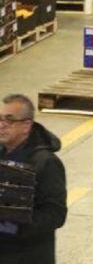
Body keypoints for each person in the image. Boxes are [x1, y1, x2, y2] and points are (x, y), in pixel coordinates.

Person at [0, 94, 66, 264]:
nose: (1, 125)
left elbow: (55, 214)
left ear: (26, 125)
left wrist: (14, 227)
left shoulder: (46, 162)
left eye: (9, 120)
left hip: (27, 256)